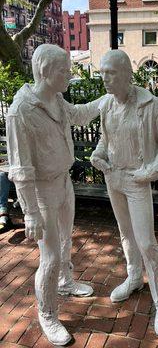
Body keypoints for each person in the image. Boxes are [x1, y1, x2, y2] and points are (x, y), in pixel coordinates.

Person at [6, 44, 102, 346]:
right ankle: (47, 314)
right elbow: (20, 167)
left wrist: (110, 96)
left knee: (64, 240)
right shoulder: (20, 111)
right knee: (48, 257)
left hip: (63, 183)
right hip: (42, 191)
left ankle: (65, 282)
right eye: (64, 69)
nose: (69, 74)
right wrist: (30, 212)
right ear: (46, 71)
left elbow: (81, 115)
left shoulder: (57, 100)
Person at [90, 50, 158, 337]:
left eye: (111, 73)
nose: (105, 78)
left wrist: (150, 172)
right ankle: (133, 278)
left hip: (138, 180)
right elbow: (106, 139)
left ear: (127, 74)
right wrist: (98, 154)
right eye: (102, 72)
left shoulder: (151, 105)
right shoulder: (106, 106)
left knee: (146, 242)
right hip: (113, 177)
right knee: (126, 235)